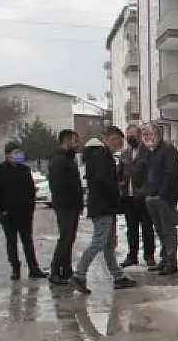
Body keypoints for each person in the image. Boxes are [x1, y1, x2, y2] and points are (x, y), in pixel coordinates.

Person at [68, 127, 137, 294]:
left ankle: (118, 276)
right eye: (118, 142)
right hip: (102, 207)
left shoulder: (102, 155)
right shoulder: (100, 156)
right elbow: (101, 181)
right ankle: (79, 274)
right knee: (99, 241)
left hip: (106, 206)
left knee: (109, 244)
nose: (120, 146)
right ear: (110, 139)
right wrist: (115, 190)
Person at [0, 141, 47, 281]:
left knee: (27, 240)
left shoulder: (25, 170)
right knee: (11, 241)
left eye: (19, 152)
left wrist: (31, 209)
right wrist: (2, 210)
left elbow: (30, 191)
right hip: (8, 214)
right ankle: (15, 268)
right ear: (8, 154)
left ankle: (34, 268)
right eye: (15, 152)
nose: (18, 155)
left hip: (24, 213)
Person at [141, 123, 178, 276]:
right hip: (153, 196)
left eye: (149, 135)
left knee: (168, 230)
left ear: (157, 135)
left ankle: (171, 261)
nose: (147, 138)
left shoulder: (168, 150)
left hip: (165, 197)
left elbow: (171, 173)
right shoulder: (151, 152)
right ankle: (164, 259)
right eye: (145, 136)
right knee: (160, 229)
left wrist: (161, 193)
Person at [46, 129, 84, 285]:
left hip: (72, 206)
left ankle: (66, 269)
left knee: (69, 239)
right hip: (65, 206)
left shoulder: (69, 159)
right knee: (65, 238)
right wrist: (70, 201)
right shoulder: (59, 160)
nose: (77, 144)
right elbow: (58, 186)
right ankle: (55, 271)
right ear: (67, 141)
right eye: (75, 141)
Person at [118, 123, 156, 268]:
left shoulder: (147, 153)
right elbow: (120, 173)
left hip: (143, 197)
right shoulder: (124, 154)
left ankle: (149, 256)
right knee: (131, 228)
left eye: (133, 135)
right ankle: (132, 256)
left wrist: (144, 192)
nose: (130, 138)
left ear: (139, 136)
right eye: (128, 135)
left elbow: (150, 176)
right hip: (128, 197)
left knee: (147, 228)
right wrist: (121, 186)